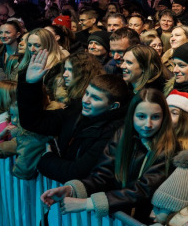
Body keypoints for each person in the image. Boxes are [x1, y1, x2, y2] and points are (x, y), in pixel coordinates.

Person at [40, 88, 177, 220]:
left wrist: (87, 203)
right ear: (132, 116)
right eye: (141, 116)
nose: (148, 124)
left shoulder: (169, 148)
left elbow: (142, 191)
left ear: (164, 118)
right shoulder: (122, 134)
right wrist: (70, 190)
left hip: (141, 223)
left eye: (155, 117)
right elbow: (102, 175)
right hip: (120, 221)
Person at [18, 50, 130, 182]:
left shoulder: (114, 132)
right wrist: (31, 85)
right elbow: (34, 122)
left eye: (95, 98)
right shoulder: (77, 111)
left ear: (113, 106)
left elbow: (77, 172)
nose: (86, 100)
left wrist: (46, 159)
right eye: (87, 93)